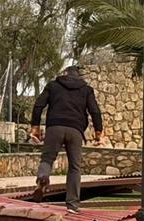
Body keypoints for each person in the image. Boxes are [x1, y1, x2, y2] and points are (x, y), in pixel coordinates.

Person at [29, 65, 104, 213]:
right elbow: (95, 111)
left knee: (47, 159)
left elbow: (38, 105)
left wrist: (35, 127)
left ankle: (43, 177)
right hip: (75, 130)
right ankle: (72, 204)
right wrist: (98, 133)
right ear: (78, 76)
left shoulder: (53, 86)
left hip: (54, 127)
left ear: (64, 74)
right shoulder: (86, 90)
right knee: (75, 167)